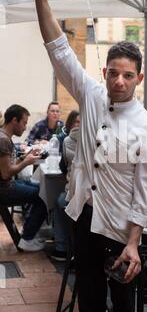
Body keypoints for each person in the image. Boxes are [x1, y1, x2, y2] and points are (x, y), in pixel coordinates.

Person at [29, 0, 147, 312]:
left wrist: (134, 243)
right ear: (104, 73)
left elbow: (146, 193)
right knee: (89, 308)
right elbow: (58, 47)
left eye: (127, 75)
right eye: (113, 73)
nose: (119, 81)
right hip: (84, 221)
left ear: (138, 78)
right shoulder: (89, 96)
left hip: (123, 231)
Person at [0, 104, 47, 252]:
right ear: (14, 120)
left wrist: (25, 158)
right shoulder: (3, 140)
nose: (25, 127)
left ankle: (28, 232)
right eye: (24, 123)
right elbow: (6, 173)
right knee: (44, 196)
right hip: (4, 190)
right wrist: (26, 162)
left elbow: (8, 167)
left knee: (38, 187)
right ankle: (27, 238)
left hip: (7, 185)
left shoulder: (5, 137)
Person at [51, 110, 80, 262]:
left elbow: (63, 167)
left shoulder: (68, 140)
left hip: (74, 194)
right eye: (77, 122)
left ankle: (61, 247)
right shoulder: (96, 138)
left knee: (60, 201)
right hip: (93, 195)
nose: (79, 125)